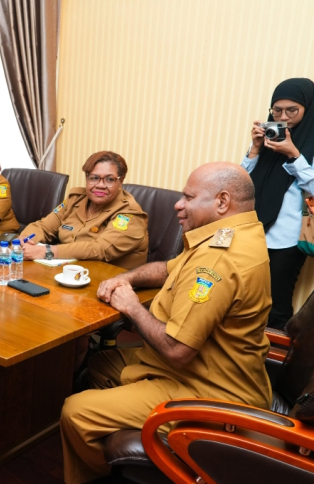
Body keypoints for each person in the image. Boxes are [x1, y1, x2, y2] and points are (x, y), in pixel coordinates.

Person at [60, 162, 272, 484]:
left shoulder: (219, 258)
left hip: (208, 389)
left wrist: (132, 307)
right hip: (198, 368)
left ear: (222, 202)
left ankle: (98, 474)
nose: (178, 204)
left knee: (75, 412)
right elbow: (170, 269)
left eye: (188, 197)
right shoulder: (230, 234)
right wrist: (127, 277)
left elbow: (176, 350)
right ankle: (122, 440)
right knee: (102, 364)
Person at [242, 78, 314, 330]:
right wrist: (254, 149)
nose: (284, 116)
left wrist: (294, 155)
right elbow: (241, 184)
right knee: (244, 298)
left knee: (277, 304)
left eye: (292, 110)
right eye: (277, 110)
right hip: (254, 231)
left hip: (288, 239)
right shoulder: (270, 140)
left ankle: (275, 363)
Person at [18, 151, 148, 269]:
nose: (100, 185)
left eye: (109, 179)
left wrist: (47, 251)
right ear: (86, 178)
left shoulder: (130, 214)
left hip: (111, 283)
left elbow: (100, 249)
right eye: (94, 178)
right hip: (69, 273)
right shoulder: (76, 199)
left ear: (121, 181)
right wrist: (24, 240)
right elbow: (44, 226)